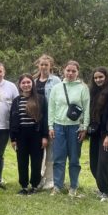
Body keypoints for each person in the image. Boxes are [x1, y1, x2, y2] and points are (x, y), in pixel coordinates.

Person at [47, 60, 90, 197]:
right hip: (59, 126)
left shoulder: (83, 88)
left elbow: (87, 109)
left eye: (73, 71)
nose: (70, 73)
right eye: (68, 70)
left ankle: (73, 186)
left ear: (77, 72)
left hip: (75, 128)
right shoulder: (57, 88)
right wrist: (50, 126)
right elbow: (51, 108)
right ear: (63, 71)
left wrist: (84, 127)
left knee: (74, 159)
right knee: (58, 158)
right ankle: (57, 185)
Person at [10, 74, 48, 195]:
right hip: (21, 135)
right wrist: (13, 138)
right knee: (22, 161)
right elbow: (12, 119)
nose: (26, 85)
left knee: (36, 161)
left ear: (32, 84)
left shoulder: (41, 99)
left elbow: (45, 118)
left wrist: (45, 136)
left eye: (28, 82)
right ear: (20, 85)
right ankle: (24, 186)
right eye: (23, 83)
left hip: (36, 134)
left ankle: (35, 185)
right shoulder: (16, 101)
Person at [88, 67, 108, 202]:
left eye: (100, 77)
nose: (98, 80)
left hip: (107, 135)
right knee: (94, 164)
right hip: (95, 133)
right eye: (95, 78)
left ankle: (107, 191)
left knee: (103, 163)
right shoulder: (93, 93)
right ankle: (102, 187)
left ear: (106, 77)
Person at [34, 54, 61, 190]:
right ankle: (39, 178)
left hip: (51, 119)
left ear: (51, 66)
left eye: (46, 65)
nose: (44, 67)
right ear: (38, 65)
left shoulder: (56, 81)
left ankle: (50, 178)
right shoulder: (34, 81)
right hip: (36, 120)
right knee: (38, 151)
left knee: (50, 151)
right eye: (42, 64)